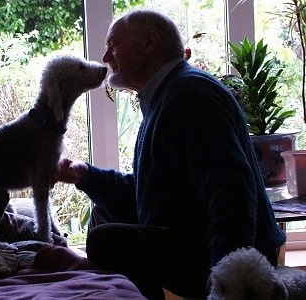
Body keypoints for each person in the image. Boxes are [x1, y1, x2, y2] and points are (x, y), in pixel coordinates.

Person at [53, 8, 286, 299]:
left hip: (229, 251)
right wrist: (83, 174)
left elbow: (231, 187)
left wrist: (226, 274)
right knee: (103, 214)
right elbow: (149, 194)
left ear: (150, 43)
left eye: (113, 45)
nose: (105, 58)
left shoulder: (190, 94)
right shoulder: (167, 93)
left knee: (107, 239)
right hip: (191, 233)